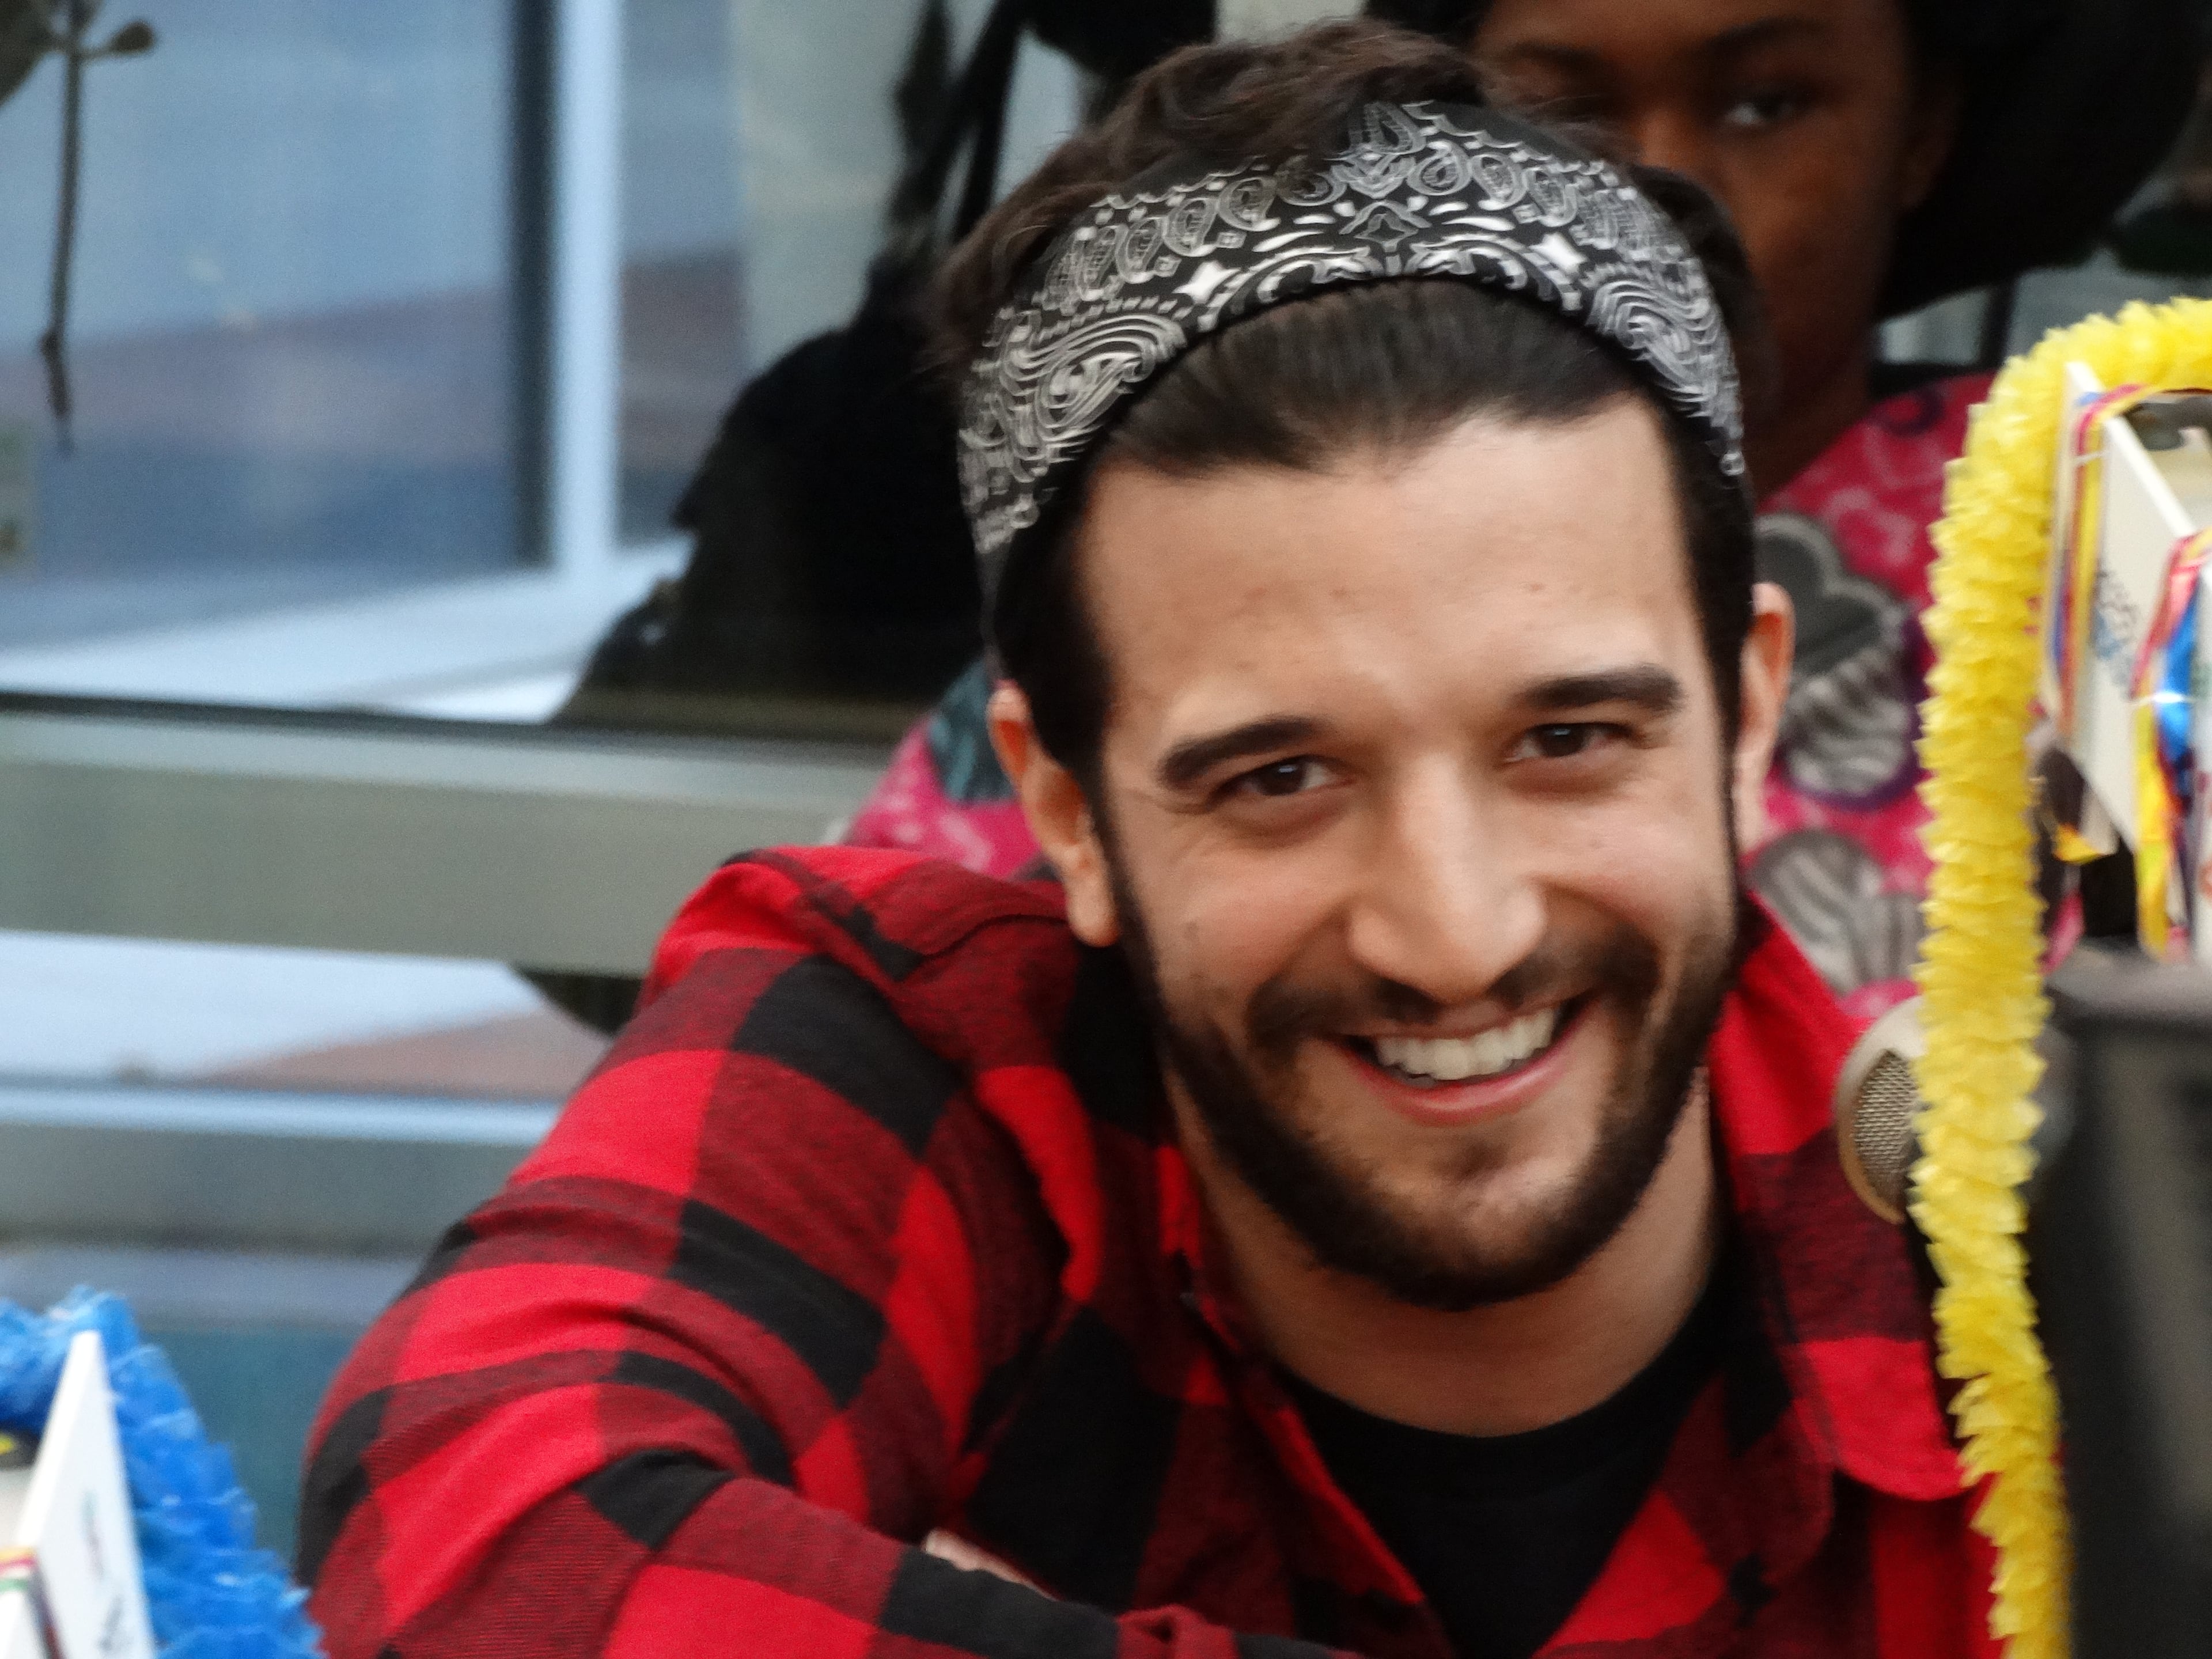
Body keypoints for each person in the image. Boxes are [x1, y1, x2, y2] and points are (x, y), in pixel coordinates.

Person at [301, 27, 2003, 1659]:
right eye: (1279, 778)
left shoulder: (2002, 1253)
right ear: (1066, 811)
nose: (1456, 932)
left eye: (1566, 743)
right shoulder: (929, 1069)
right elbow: (484, 1538)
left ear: (1749, 717)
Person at [842, 0, 2199, 1019]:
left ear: (1924, 129)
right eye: (1574, 121)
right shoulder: (1185, 601)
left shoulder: (2129, 555)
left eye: (1768, 106)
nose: (1664, 189)